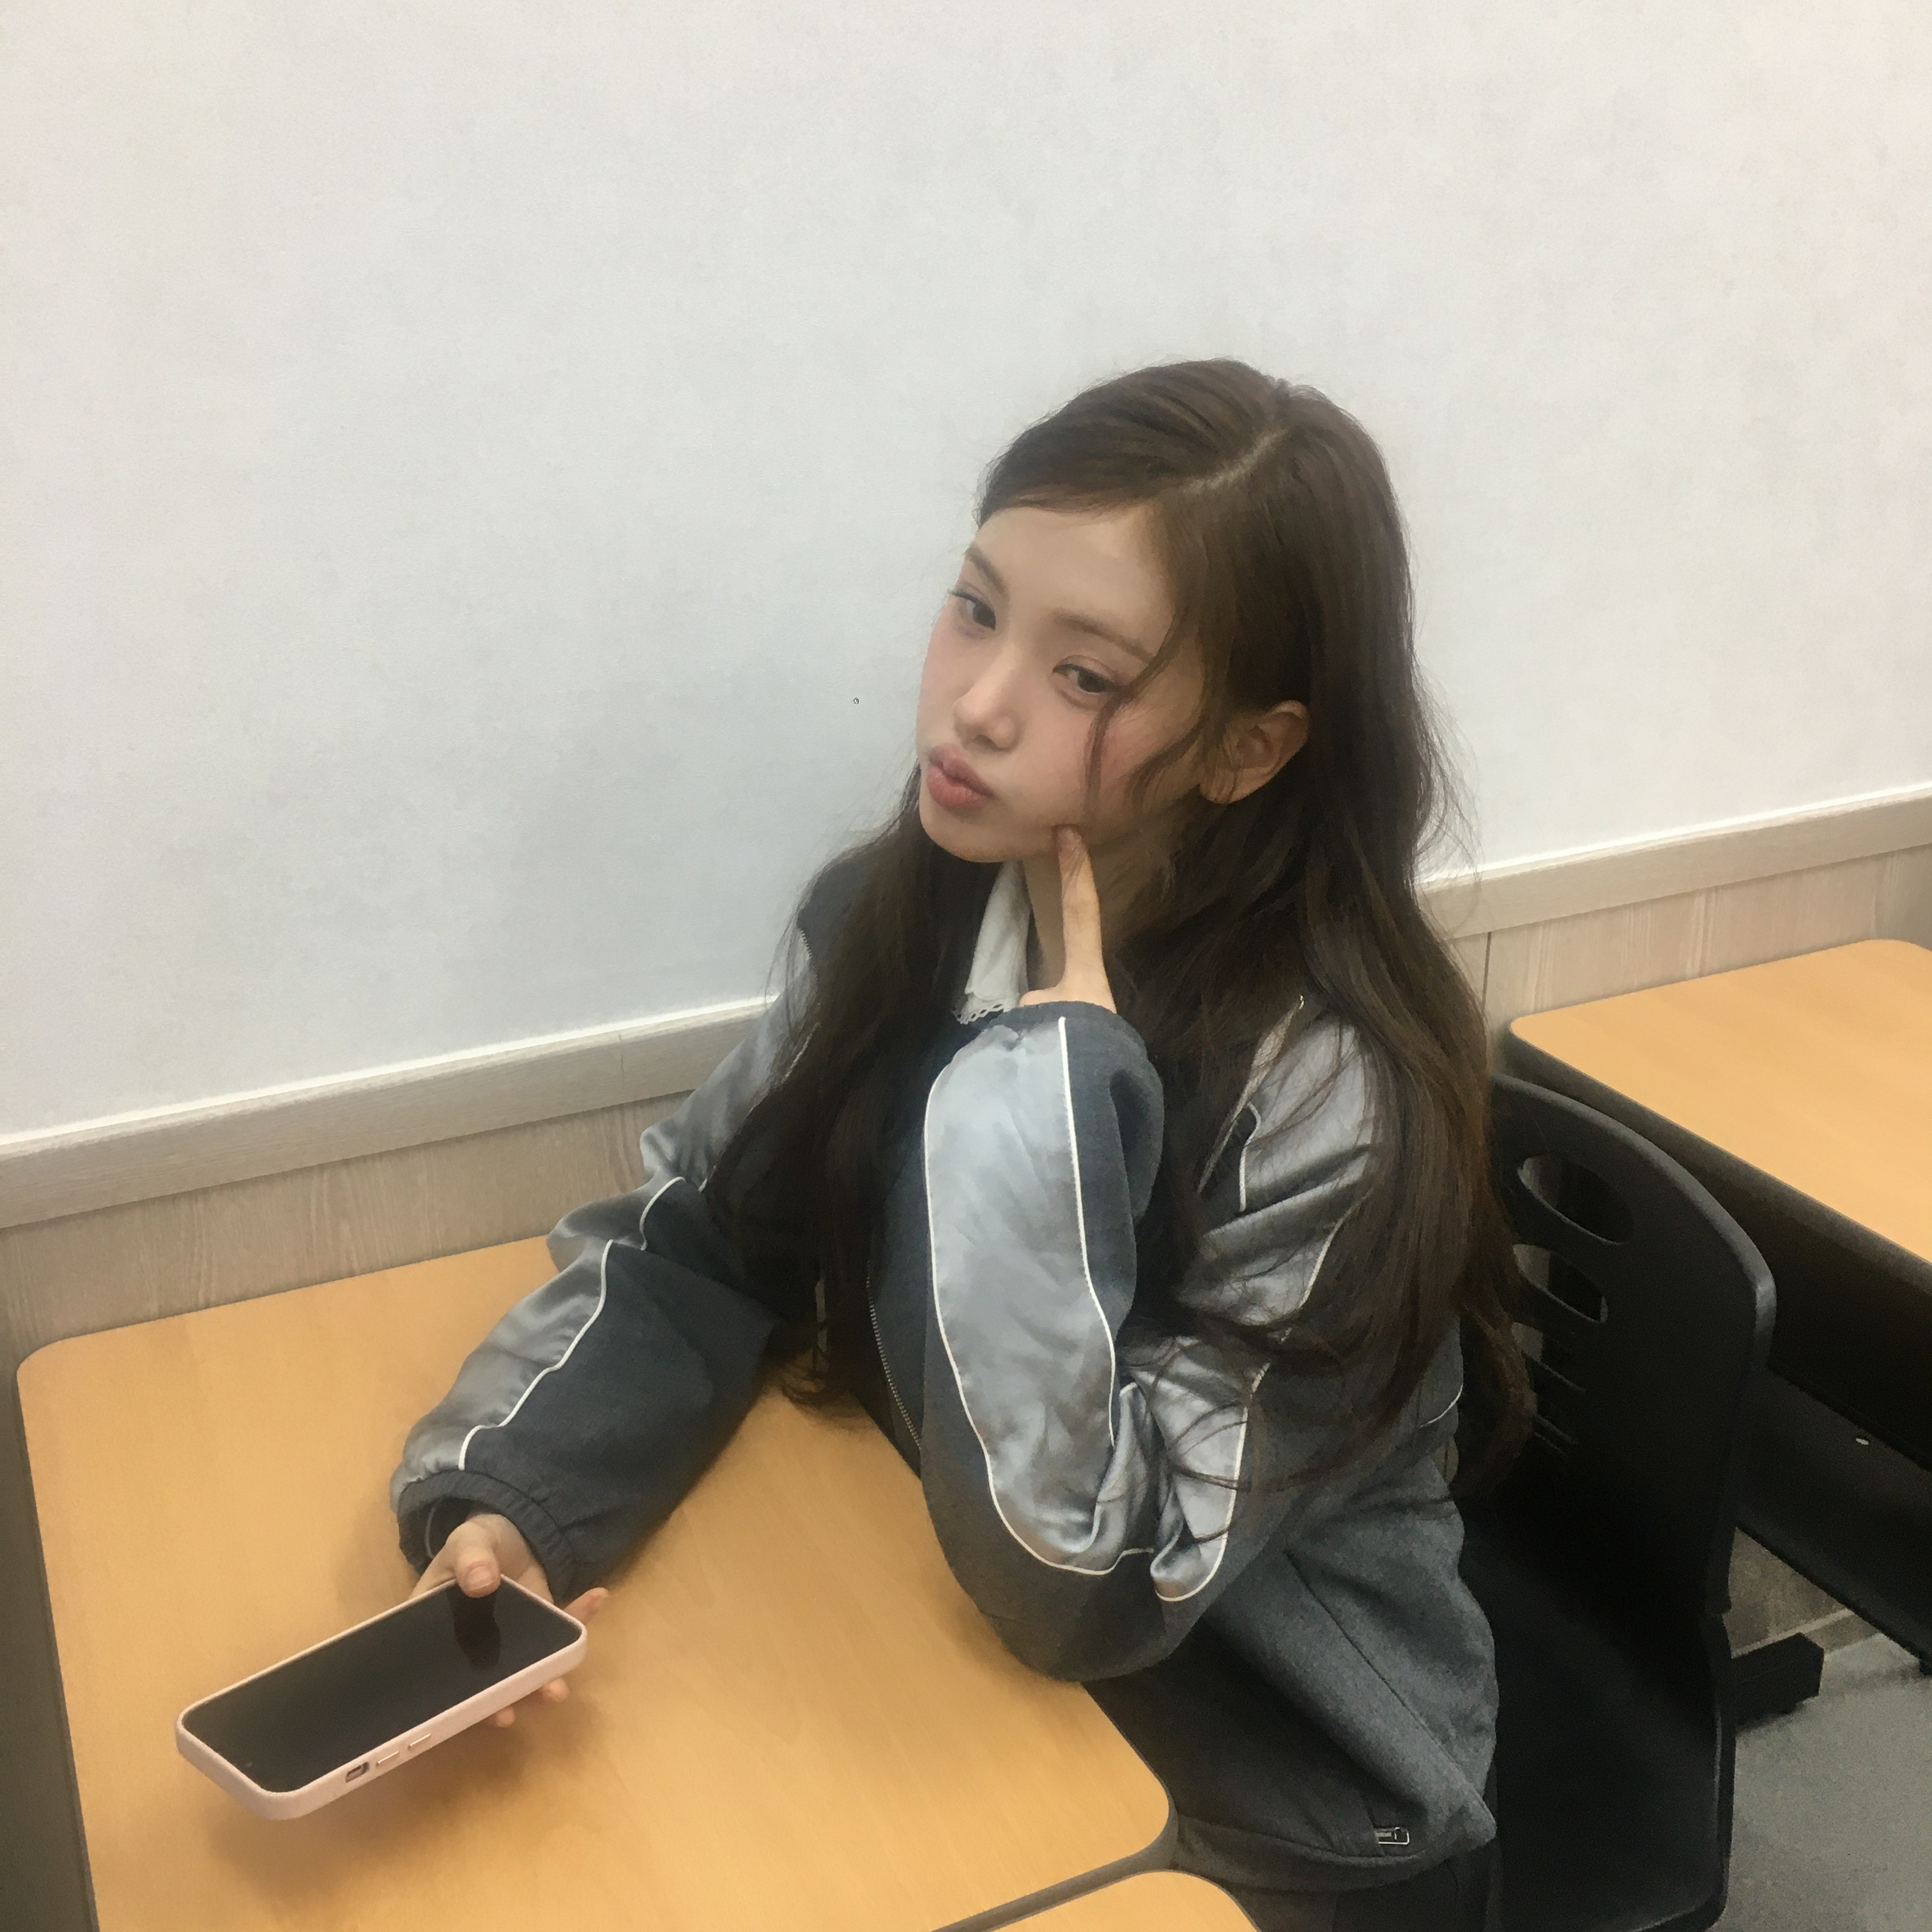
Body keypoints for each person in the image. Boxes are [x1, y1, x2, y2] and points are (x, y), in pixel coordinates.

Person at [389, 358, 1529, 1932]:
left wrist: (1035, 1099)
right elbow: (711, 1237)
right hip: (978, 1663)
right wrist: (515, 1502)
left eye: (1085, 674)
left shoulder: (1332, 1095)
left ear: (1248, 750)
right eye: (977, 609)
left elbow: (1088, 1585)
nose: (978, 701)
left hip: (1291, 1789)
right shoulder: (907, 912)